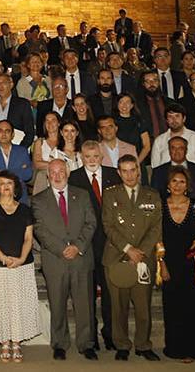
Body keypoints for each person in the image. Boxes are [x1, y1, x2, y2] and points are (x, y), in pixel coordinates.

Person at [100, 154, 161, 361]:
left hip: (143, 259)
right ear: (119, 173)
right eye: (124, 171)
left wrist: (140, 251)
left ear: (139, 170)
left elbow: (156, 228)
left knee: (143, 307)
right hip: (116, 259)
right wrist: (128, 249)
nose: (129, 175)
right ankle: (122, 344)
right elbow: (108, 225)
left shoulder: (152, 195)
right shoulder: (110, 195)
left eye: (132, 170)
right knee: (119, 307)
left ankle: (143, 345)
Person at [30, 160, 92, 360]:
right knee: (57, 304)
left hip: (81, 257)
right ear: (47, 175)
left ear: (68, 173)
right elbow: (39, 229)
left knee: (84, 304)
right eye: (53, 172)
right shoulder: (39, 200)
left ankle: (86, 343)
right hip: (55, 260)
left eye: (61, 171)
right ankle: (59, 344)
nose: (57, 175)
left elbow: (91, 223)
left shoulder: (82, 195)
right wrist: (62, 249)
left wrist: (78, 247)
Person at [68, 141, 121, 350]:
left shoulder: (114, 175)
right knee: (86, 295)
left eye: (95, 156)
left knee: (110, 293)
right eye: (87, 157)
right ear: (81, 157)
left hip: (110, 244)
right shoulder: (74, 178)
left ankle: (110, 334)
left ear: (102, 157)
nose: (91, 160)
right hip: (86, 245)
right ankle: (90, 337)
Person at [157, 165, 195, 362]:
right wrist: (161, 263)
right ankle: (175, 348)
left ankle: (194, 349)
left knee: (194, 306)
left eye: (182, 181)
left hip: (191, 262)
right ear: (168, 185)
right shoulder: (160, 205)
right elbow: (156, 237)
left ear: (187, 185)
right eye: (174, 181)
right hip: (169, 263)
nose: (178, 185)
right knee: (172, 307)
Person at [0, 119, 34, 204]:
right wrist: (19, 170)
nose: (4, 134)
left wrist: (1, 172)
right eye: (0, 131)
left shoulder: (22, 151)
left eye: (7, 131)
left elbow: (28, 174)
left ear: (12, 135)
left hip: (18, 195)